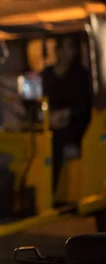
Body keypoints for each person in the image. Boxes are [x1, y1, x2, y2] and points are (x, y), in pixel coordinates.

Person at [41, 35, 92, 195]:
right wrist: (49, 116)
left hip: (74, 126)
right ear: (59, 51)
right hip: (48, 121)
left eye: (73, 48)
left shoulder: (81, 76)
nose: (72, 53)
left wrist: (64, 114)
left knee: (54, 141)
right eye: (69, 48)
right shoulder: (47, 74)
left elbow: (83, 106)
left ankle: (49, 192)